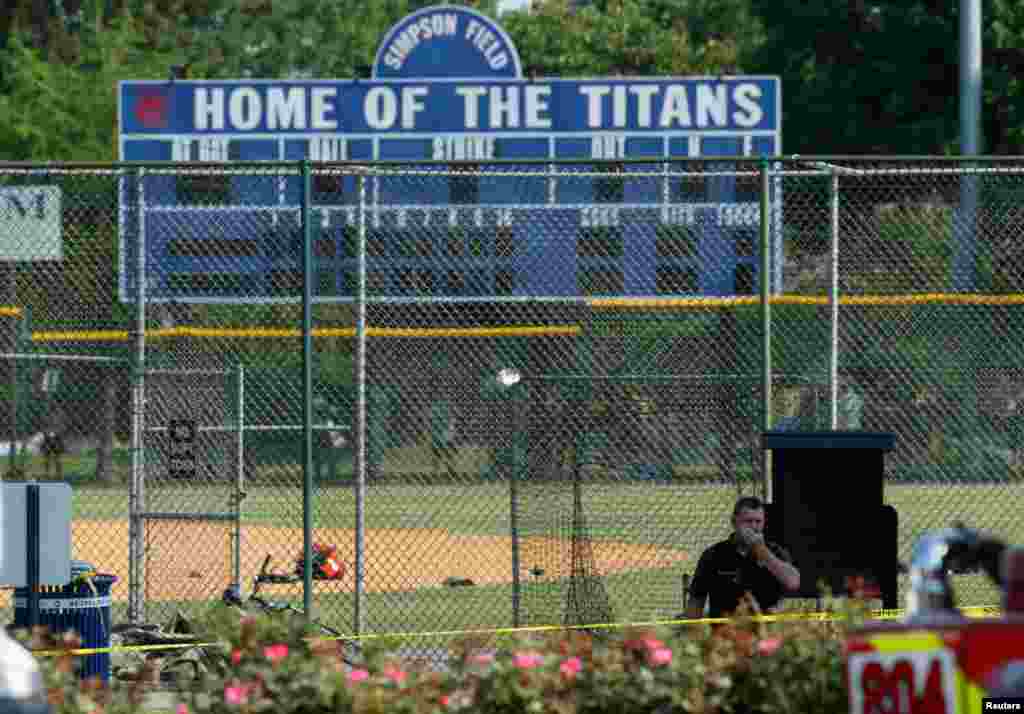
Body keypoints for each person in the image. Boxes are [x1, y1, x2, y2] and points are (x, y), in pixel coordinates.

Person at [684, 496, 801, 620]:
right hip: (725, 633)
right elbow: (696, 600)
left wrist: (763, 553)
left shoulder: (775, 552)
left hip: (765, 632)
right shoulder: (714, 554)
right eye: (748, 521)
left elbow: (793, 583)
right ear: (734, 522)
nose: (754, 527)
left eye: (758, 521)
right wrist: (693, 631)